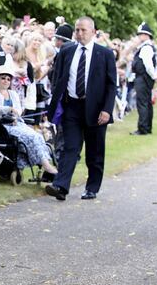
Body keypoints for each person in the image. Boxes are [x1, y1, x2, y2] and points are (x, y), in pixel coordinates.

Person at [45, 16, 116, 201]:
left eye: (83, 30)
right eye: (77, 30)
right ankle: (60, 186)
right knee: (70, 147)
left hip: (96, 109)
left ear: (93, 32)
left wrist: (107, 110)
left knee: (95, 150)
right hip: (72, 107)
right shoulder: (67, 51)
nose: (79, 33)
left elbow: (111, 85)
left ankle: (92, 187)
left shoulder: (105, 54)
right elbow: (57, 76)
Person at [0, 65, 57, 174]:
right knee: (31, 137)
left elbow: (18, 110)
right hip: (1, 125)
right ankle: (47, 167)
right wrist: (9, 109)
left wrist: (15, 115)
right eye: (3, 78)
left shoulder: (13, 94)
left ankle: (46, 165)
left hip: (15, 123)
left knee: (38, 136)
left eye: (8, 79)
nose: (6, 81)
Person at [130, 22, 157, 135]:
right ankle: (147, 127)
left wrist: (154, 76)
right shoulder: (146, 47)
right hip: (144, 78)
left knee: (142, 103)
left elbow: (148, 65)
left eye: (141, 34)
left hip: (143, 78)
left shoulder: (146, 48)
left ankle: (143, 128)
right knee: (146, 103)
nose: (139, 36)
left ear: (146, 35)